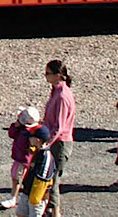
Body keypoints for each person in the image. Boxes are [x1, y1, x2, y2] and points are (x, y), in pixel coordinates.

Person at [41, 60, 75, 217]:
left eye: (48, 73)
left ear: (58, 76)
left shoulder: (62, 96)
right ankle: (50, 209)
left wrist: (46, 142)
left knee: (53, 180)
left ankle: (56, 213)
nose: (45, 76)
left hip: (60, 143)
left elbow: (59, 126)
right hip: (55, 141)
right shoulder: (56, 91)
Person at [1, 105, 44, 209]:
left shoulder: (33, 132)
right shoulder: (21, 129)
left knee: (17, 178)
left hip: (24, 159)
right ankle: (18, 197)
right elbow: (11, 134)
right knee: (16, 177)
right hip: (19, 158)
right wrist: (16, 125)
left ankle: (13, 198)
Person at [16, 124, 58, 217]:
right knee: (21, 213)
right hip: (28, 190)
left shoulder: (46, 157)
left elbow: (43, 179)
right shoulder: (37, 152)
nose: (29, 140)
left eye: (31, 138)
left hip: (37, 196)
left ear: (38, 140)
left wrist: (35, 199)